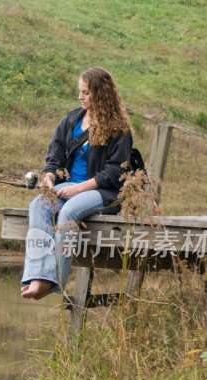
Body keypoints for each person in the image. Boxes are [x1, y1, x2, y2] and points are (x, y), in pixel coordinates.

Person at [21, 67, 133, 300]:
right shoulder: (70, 120)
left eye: (86, 92)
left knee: (69, 211)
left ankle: (55, 282)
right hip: (69, 187)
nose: (80, 97)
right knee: (39, 205)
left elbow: (114, 172)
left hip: (103, 193)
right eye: (80, 92)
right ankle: (38, 276)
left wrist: (76, 189)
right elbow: (54, 158)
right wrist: (50, 179)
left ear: (100, 94)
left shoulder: (119, 128)